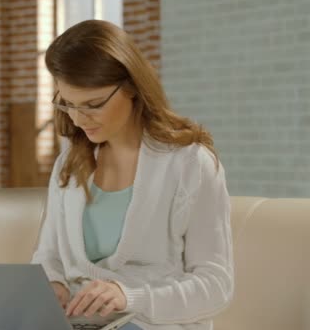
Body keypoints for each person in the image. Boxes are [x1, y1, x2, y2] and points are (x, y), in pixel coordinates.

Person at [31, 20, 233, 330]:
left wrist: (131, 297)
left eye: (93, 104)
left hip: (153, 323)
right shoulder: (69, 165)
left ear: (132, 88)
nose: (78, 118)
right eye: (67, 104)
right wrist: (53, 286)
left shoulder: (190, 164)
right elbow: (48, 257)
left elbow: (216, 285)